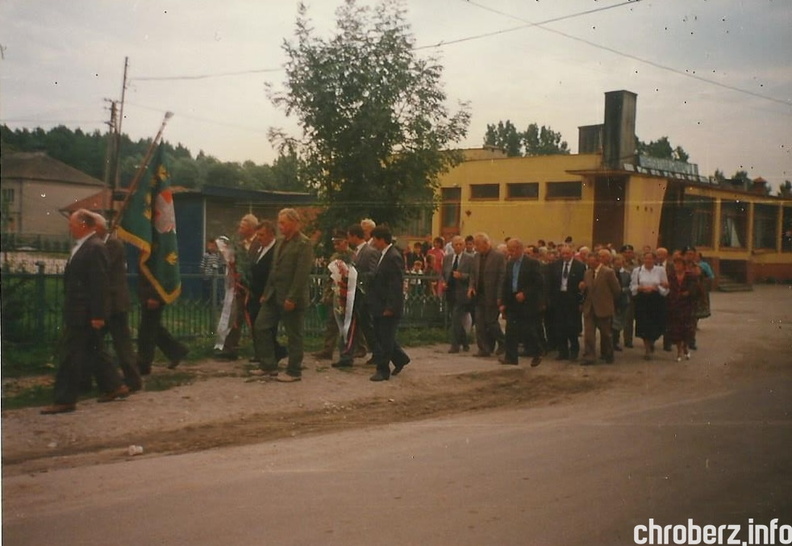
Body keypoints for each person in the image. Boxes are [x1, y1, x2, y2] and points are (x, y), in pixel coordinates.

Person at [41, 209, 129, 414]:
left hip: (84, 312)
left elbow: (100, 284)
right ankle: (115, 385)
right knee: (94, 349)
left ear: (83, 225)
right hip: (81, 311)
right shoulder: (85, 246)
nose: (69, 227)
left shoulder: (94, 247)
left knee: (70, 355)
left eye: (72, 224)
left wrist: (98, 315)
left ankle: (64, 399)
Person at [253, 208, 314, 382]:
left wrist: (292, 298)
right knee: (261, 326)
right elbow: (274, 269)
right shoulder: (280, 242)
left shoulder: (304, 243)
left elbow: (301, 274)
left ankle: (294, 371)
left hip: (291, 298)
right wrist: (266, 293)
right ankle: (268, 365)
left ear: (295, 223)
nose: (280, 226)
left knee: (294, 335)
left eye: (283, 223)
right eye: (279, 223)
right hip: (273, 295)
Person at [94, 212, 142, 392]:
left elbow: (103, 268)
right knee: (101, 341)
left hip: (115, 302)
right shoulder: (104, 244)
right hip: (108, 302)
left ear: (100, 228)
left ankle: (133, 380)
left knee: (122, 344)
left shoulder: (113, 244)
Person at [215, 214, 260, 360]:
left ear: (251, 228)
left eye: (243, 226)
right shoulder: (239, 244)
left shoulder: (258, 244)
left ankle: (260, 351)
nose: (240, 228)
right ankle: (230, 348)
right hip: (239, 288)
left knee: (254, 319)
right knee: (234, 316)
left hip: (254, 289)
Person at [368, 225, 411, 381]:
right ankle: (400, 358)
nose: (373, 243)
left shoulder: (393, 256)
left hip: (388, 307)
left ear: (381, 240)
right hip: (379, 304)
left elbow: (396, 284)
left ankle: (383, 370)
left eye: (374, 239)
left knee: (385, 339)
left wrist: (391, 307)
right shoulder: (383, 255)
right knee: (382, 336)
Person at [498, 238, 544, 366]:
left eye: (512, 250)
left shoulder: (532, 263)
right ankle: (511, 357)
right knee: (510, 330)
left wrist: (525, 293)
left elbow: (538, 283)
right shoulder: (510, 263)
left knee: (528, 330)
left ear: (519, 249)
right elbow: (506, 283)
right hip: (512, 300)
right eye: (509, 250)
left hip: (527, 302)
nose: (510, 253)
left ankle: (537, 352)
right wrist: (503, 302)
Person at [247, 220, 287, 365]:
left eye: (262, 235)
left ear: (271, 234)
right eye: (257, 235)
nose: (259, 238)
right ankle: (264, 354)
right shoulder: (259, 248)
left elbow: (272, 273)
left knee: (265, 327)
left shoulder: (276, 249)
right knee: (255, 325)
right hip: (254, 293)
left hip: (267, 294)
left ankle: (273, 355)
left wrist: (267, 293)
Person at [579, 249, 622, 365]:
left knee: (606, 334)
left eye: (591, 262)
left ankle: (608, 354)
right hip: (589, 308)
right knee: (589, 334)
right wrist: (582, 288)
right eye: (588, 262)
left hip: (603, 308)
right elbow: (587, 290)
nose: (589, 264)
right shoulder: (587, 273)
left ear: (598, 261)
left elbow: (617, 290)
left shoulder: (608, 272)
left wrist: (608, 301)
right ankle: (590, 356)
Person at [468, 232, 506, 357]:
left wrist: (500, 296)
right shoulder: (476, 257)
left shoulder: (498, 257)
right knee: (479, 323)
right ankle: (483, 349)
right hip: (479, 295)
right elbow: (473, 274)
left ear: (486, 243)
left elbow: (502, 278)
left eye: (478, 244)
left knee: (491, 322)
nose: (476, 247)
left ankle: (503, 342)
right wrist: (471, 287)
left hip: (492, 295)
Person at [347, 223, 381, 362]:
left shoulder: (369, 251)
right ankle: (351, 353)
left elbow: (373, 273)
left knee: (368, 326)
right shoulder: (356, 252)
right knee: (361, 326)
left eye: (349, 237)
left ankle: (378, 352)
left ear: (355, 236)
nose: (348, 240)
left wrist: (357, 276)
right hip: (356, 294)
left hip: (365, 295)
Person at [548, 244, 586, 360]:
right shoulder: (555, 265)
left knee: (572, 327)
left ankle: (574, 350)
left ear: (572, 254)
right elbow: (551, 283)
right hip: (559, 299)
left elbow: (582, 285)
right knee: (559, 327)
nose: (565, 256)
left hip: (572, 300)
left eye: (567, 253)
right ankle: (562, 351)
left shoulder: (580, 266)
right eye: (563, 253)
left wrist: (581, 302)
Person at [630, 251, 669, 360]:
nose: (648, 261)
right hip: (643, 300)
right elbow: (633, 286)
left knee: (656, 324)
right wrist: (641, 288)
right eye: (646, 258)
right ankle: (647, 349)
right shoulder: (637, 271)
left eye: (650, 259)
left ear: (654, 260)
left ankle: (652, 341)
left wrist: (657, 288)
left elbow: (665, 286)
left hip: (656, 300)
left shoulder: (660, 270)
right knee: (643, 324)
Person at [442, 235, 473, 353]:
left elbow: (472, 276)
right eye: (456, 244)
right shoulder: (448, 258)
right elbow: (443, 273)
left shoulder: (469, 259)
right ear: (452, 246)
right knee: (455, 319)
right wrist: (444, 282)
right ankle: (465, 342)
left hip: (462, 293)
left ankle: (454, 345)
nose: (458, 247)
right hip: (450, 291)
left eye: (461, 244)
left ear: (464, 245)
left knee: (456, 318)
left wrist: (462, 276)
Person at [666, 255, 698, 362]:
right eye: (675, 264)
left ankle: (686, 346)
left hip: (687, 306)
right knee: (676, 329)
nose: (677, 266)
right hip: (675, 305)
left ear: (684, 266)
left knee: (687, 328)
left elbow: (694, 290)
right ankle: (679, 350)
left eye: (679, 264)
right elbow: (670, 288)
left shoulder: (690, 276)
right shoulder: (671, 276)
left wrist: (687, 293)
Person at [611, 254, 632, 352]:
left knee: (620, 322)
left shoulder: (627, 274)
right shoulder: (610, 272)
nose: (618, 264)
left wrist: (623, 289)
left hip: (623, 300)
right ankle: (611, 342)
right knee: (612, 322)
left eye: (620, 262)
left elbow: (631, 286)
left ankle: (616, 341)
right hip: (611, 300)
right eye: (616, 262)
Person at [200, 238, 225, 303]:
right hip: (208, 276)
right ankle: (208, 301)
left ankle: (217, 301)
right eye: (209, 246)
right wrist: (203, 274)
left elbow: (220, 264)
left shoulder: (217, 255)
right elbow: (203, 265)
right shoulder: (206, 255)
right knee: (209, 290)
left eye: (213, 246)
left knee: (217, 289)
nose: (211, 248)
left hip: (215, 276)